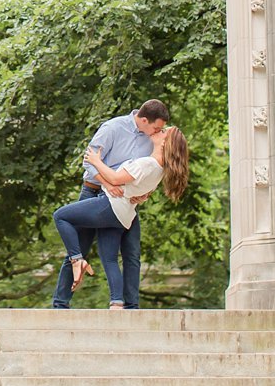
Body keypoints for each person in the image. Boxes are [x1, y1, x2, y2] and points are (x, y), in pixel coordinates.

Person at [52, 124, 190, 309]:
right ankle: (117, 303)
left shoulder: (147, 163)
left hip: (110, 205)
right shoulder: (158, 167)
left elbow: (116, 179)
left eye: (163, 131)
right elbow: (140, 185)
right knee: (109, 258)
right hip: (123, 213)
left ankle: (77, 261)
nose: (159, 130)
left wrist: (95, 160)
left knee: (61, 216)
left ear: (165, 143)